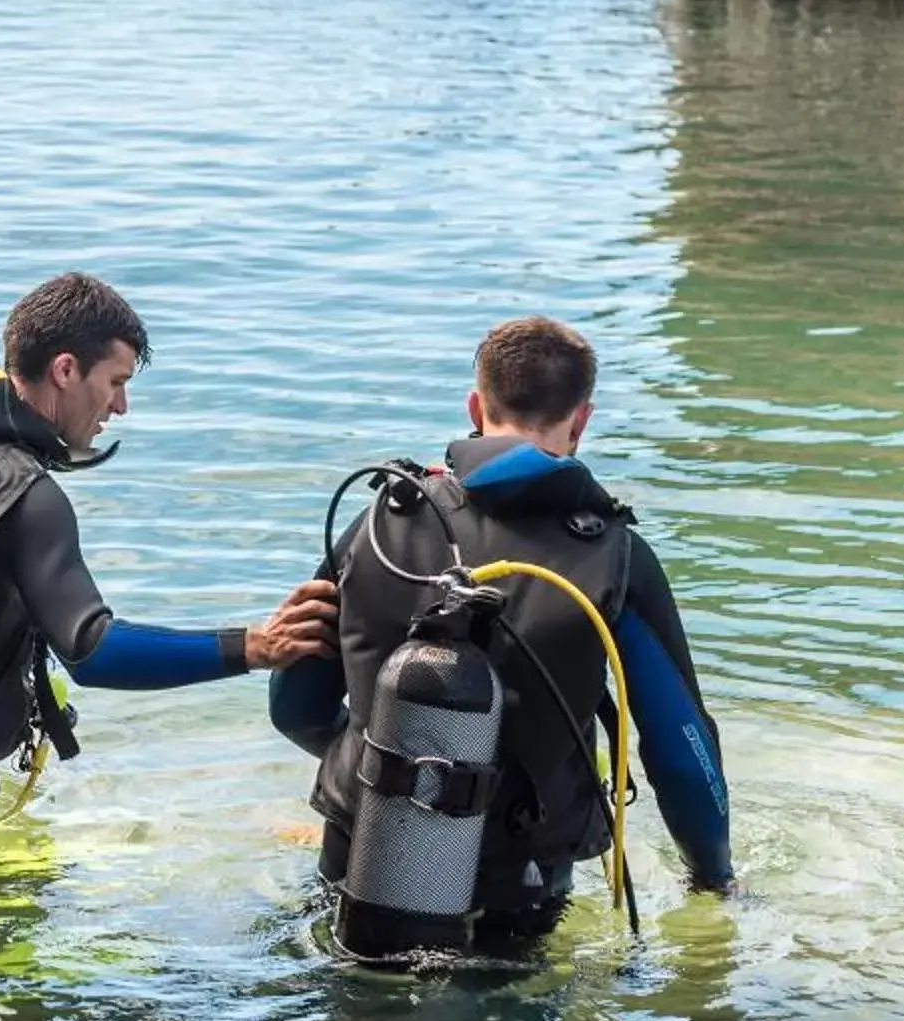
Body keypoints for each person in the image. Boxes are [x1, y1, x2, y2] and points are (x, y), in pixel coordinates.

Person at [270, 316, 733, 944]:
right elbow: (681, 756)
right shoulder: (615, 557)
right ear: (582, 419)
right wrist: (714, 879)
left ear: (475, 405)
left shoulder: (382, 519)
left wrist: (395, 781)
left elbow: (294, 706)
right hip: (520, 892)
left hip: (360, 862)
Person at [0, 273, 325, 837]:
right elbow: (94, 652)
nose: (120, 405)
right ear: (65, 370)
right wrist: (255, 647)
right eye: (114, 381)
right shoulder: (25, 496)